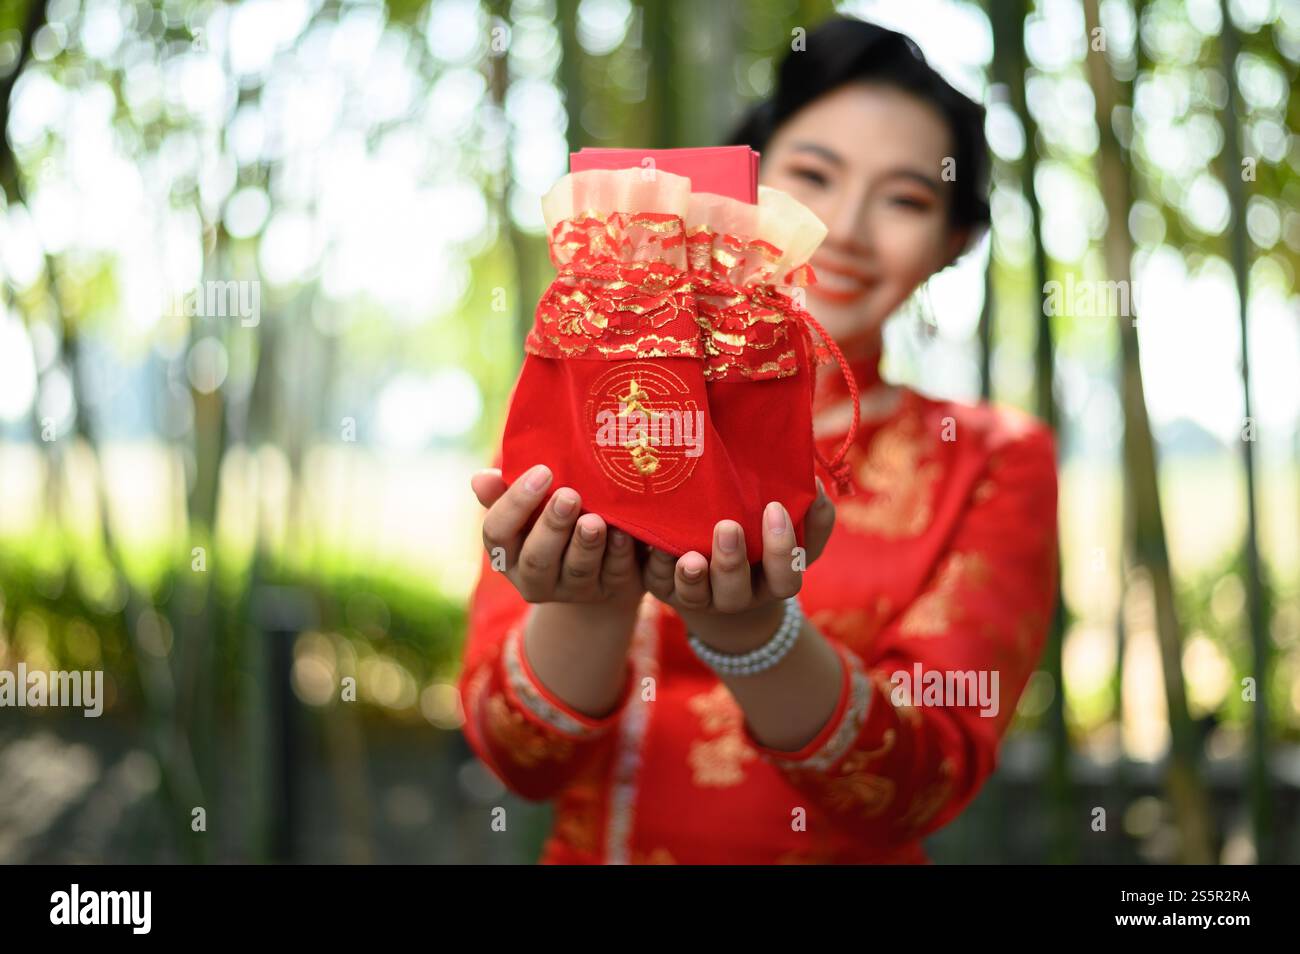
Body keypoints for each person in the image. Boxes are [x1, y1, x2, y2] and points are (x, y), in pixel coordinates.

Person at [459, 15, 1058, 864]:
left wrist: (753, 633)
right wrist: (590, 606)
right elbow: (515, 758)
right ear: (738, 196)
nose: (846, 228)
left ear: (951, 246)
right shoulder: (602, 403)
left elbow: (923, 780)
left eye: (906, 198)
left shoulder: (991, 459)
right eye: (812, 175)